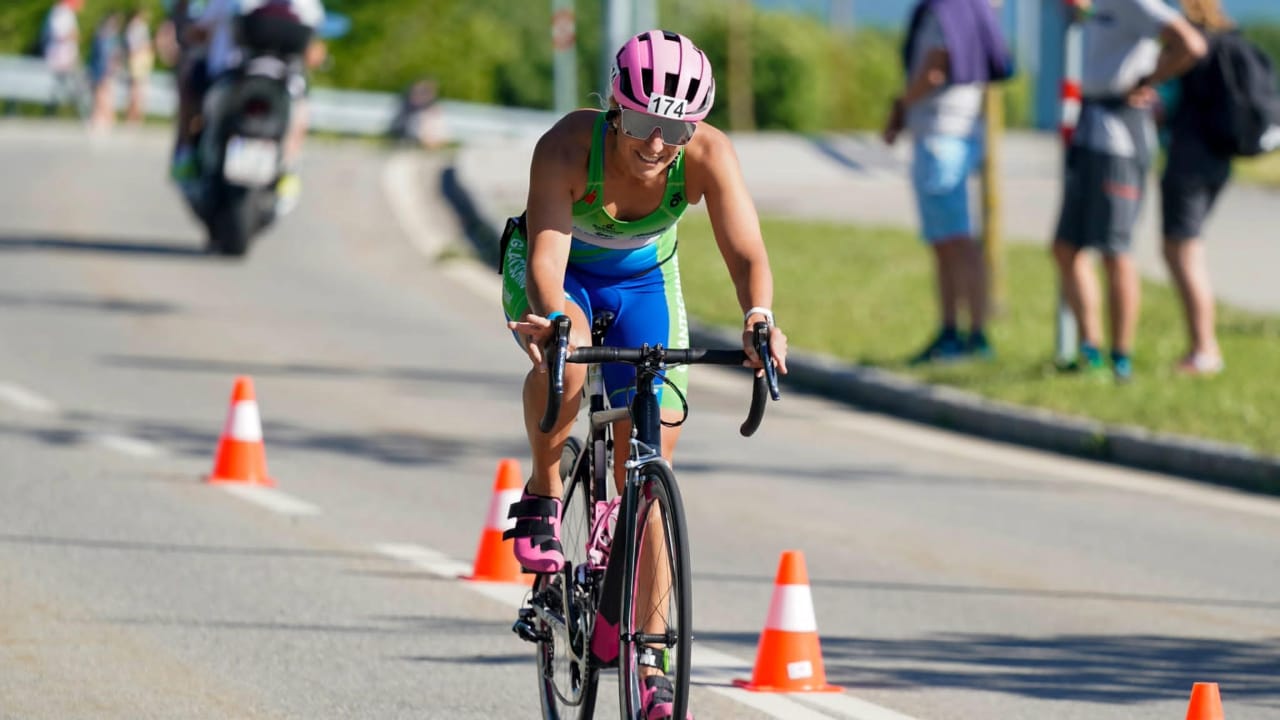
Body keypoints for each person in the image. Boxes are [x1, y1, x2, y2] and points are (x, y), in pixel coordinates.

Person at [502, 29, 788, 720]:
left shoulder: (709, 155)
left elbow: (746, 250)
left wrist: (758, 317)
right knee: (566, 368)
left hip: (643, 283)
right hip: (559, 274)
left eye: (675, 128)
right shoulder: (569, 148)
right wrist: (553, 321)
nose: (657, 143)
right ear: (615, 110)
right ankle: (543, 494)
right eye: (642, 121)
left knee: (652, 465)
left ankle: (650, 662)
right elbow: (545, 260)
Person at [1051, 0, 1206, 383]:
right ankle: (1091, 350)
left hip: (1120, 137)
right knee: (1066, 247)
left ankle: (1121, 358)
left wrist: (1149, 80)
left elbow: (1190, 43)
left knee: (1114, 250)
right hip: (1089, 129)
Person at [883, 0, 1012, 365]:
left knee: (955, 241)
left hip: (943, 133)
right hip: (958, 131)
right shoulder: (972, 7)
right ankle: (953, 330)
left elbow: (936, 68)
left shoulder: (947, 9)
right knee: (946, 242)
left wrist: (901, 105)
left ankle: (971, 335)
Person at [171, 0, 327, 195]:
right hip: (284, 83)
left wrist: (186, 35)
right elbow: (313, 53)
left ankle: (186, 155)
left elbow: (200, 32)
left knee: (189, 86)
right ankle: (290, 168)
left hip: (228, 76)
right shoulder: (307, 5)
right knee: (301, 110)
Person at [1158, 0, 1238, 376]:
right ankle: (1203, 347)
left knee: (1183, 254)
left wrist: (1149, 84)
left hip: (1188, 160)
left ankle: (1204, 349)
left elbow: (1165, 104)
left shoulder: (1189, 47)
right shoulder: (1227, 39)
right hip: (1218, 159)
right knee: (1187, 251)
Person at [42, 0, 87, 119]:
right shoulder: (60, 12)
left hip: (68, 58)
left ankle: (75, 114)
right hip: (59, 58)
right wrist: (72, 36)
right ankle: (52, 115)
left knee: (67, 88)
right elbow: (58, 33)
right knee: (56, 88)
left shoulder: (68, 13)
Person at [87, 12, 125, 132]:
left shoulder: (108, 37)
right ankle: (102, 118)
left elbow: (113, 56)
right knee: (102, 95)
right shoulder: (107, 36)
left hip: (104, 70)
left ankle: (104, 119)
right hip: (102, 69)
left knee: (102, 95)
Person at [124, 9, 155, 125]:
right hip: (138, 59)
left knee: (139, 89)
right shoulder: (135, 28)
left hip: (141, 60)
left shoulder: (139, 27)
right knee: (136, 90)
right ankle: (133, 116)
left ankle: (135, 116)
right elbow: (135, 47)